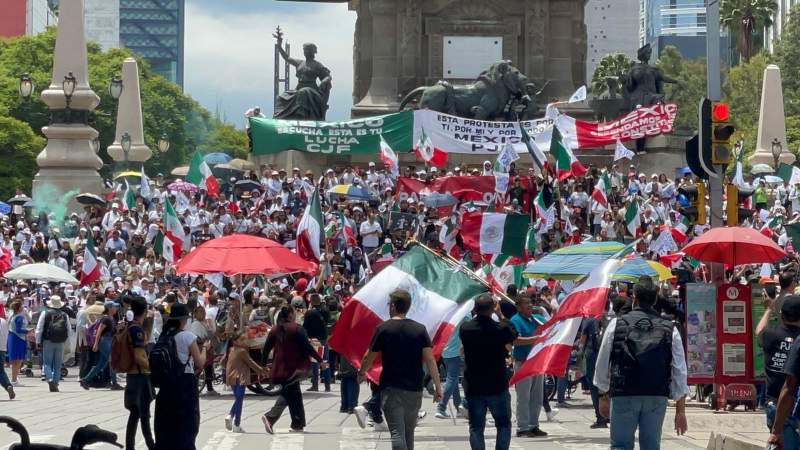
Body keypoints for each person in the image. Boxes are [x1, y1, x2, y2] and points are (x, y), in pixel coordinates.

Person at [594, 276, 689, 450]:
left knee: (620, 445)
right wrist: (680, 410)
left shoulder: (617, 324)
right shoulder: (670, 328)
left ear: (634, 299)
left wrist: (602, 395)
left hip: (624, 394)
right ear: (654, 300)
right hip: (656, 395)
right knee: (651, 446)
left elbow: (602, 363)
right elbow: (679, 371)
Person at [358, 289, 443, 450]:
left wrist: (362, 373)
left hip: (391, 387)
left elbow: (368, 356)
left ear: (394, 306)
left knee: (397, 432)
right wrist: (438, 386)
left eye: (389, 304)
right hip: (414, 387)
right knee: (409, 432)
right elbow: (430, 359)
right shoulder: (419, 329)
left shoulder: (383, 329)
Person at [459, 293, 517, 450]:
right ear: (492, 309)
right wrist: (501, 315)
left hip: (474, 385)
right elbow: (514, 334)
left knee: (476, 427)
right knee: (503, 424)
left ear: (475, 309)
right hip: (496, 384)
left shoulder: (466, 328)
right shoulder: (501, 328)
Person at [261, 305, 325, 434]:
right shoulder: (296, 329)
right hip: (294, 367)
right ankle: (271, 417)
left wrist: (263, 365)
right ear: (290, 315)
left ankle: (297, 424)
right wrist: (320, 360)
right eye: (294, 312)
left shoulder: (275, 329)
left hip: (279, 367)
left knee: (294, 394)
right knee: (289, 393)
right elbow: (307, 347)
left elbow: (266, 348)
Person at [153, 303, 206, 450]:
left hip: (167, 385)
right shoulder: (187, 336)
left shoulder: (164, 336)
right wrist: (206, 348)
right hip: (185, 384)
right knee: (187, 423)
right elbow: (200, 363)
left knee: (167, 423)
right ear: (184, 319)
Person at [758, 294, 800, 448]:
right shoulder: (798, 339)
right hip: (795, 404)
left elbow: (759, 331)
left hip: (775, 402)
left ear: (781, 314)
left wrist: (768, 310)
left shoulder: (770, 334)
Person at [510, 296, 548, 437]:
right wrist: (535, 339)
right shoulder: (515, 320)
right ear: (518, 307)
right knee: (524, 397)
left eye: (530, 303)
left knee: (537, 397)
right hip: (523, 362)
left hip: (537, 362)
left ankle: (533, 425)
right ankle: (522, 427)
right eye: (526, 303)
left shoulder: (536, 318)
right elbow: (515, 340)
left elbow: (550, 327)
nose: (530, 305)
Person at [124, 296, 155, 450]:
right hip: (139, 375)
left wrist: (150, 323)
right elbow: (138, 355)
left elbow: (145, 340)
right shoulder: (136, 330)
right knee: (140, 413)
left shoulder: (133, 326)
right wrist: (150, 367)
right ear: (144, 310)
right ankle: (140, 446)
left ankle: (147, 445)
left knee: (140, 413)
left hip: (134, 375)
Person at [225, 331, 267, 433]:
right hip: (241, 377)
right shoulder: (242, 351)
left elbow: (223, 362)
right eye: (241, 340)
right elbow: (251, 363)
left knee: (238, 399)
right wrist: (262, 371)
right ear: (235, 342)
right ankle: (236, 424)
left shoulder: (231, 350)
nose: (244, 341)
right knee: (239, 401)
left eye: (245, 339)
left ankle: (231, 416)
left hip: (231, 378)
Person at [81, 301, 124, 391]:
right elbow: (99, 332)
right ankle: (114, 383)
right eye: (114, 307)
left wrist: (118, 327)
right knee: (112, 361)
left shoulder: (110, 318)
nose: (116, 309)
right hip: (105, 341)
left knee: (101, 364)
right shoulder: (106, 319)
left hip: (108, 341)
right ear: (109, 308)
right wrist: (96, 344)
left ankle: (85, 380)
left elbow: (111, 331)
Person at [436, 314, 469, 420]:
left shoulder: (450, 314)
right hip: (456, 351)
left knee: (453, 380)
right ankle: (441, 407)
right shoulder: (466, 315)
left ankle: (458, 407)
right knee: (452, 379)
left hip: (445, 350)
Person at [35, 295, 71, 392]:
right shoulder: (64, 315)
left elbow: (39, 328)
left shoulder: (45, 313)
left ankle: (49, 379)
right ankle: (55, 382)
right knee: (58, 364)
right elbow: (69, 330)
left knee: (47, 363)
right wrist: (67, 342)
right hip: (60, 341)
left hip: (48, 340)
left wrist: (37, 341)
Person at [303, 293, 330, 392]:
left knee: (315, 362)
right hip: (324, 338)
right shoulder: (325, 311)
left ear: (311, 301)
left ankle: (315, 385)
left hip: (314, 340)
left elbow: (305, 327)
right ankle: (327, 385)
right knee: (325, 362)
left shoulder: (309, 313)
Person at [7, 301, 29, 386]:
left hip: (12, 337)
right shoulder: (20, 317)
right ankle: (14, 380)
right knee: (18, 360)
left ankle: (14, 379)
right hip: (18, 338)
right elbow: (19, 330)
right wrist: (28, 331)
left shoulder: (12, 315)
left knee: (14, 360)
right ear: (19, 308)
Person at [0, 313, 14, 399]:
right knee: (1, 370)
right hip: (2, 349)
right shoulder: (3, 321)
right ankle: (8, 385)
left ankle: (8, 386)